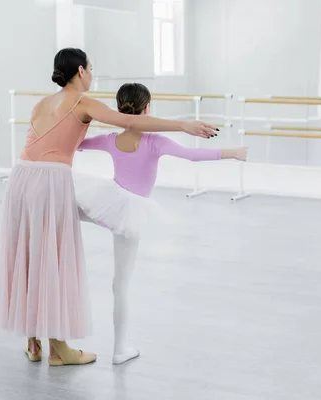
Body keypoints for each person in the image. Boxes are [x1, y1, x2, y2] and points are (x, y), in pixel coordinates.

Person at [0, 48, 218, 366]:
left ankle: (34, 342)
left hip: (21, 177)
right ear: (80, 71)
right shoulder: (84, 102)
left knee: (30, 254)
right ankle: (59, 349)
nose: (92, 74)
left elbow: (43, 142)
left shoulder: (41, 104)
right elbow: (129, 120)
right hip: (51, 179)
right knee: (54, 257)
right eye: (91, 68)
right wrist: (184, 125)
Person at [74, 82, 248, 364]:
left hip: (107, 202)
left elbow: (78, 144)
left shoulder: (109, 139)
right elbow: (193, 156)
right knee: (121, 285)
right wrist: (233, 152)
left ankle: (51, 211)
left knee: (76, 206)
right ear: (147, 109)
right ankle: (120, 350)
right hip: (129, 212)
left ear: (120, 109)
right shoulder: (155, 141)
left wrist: (75, 123)